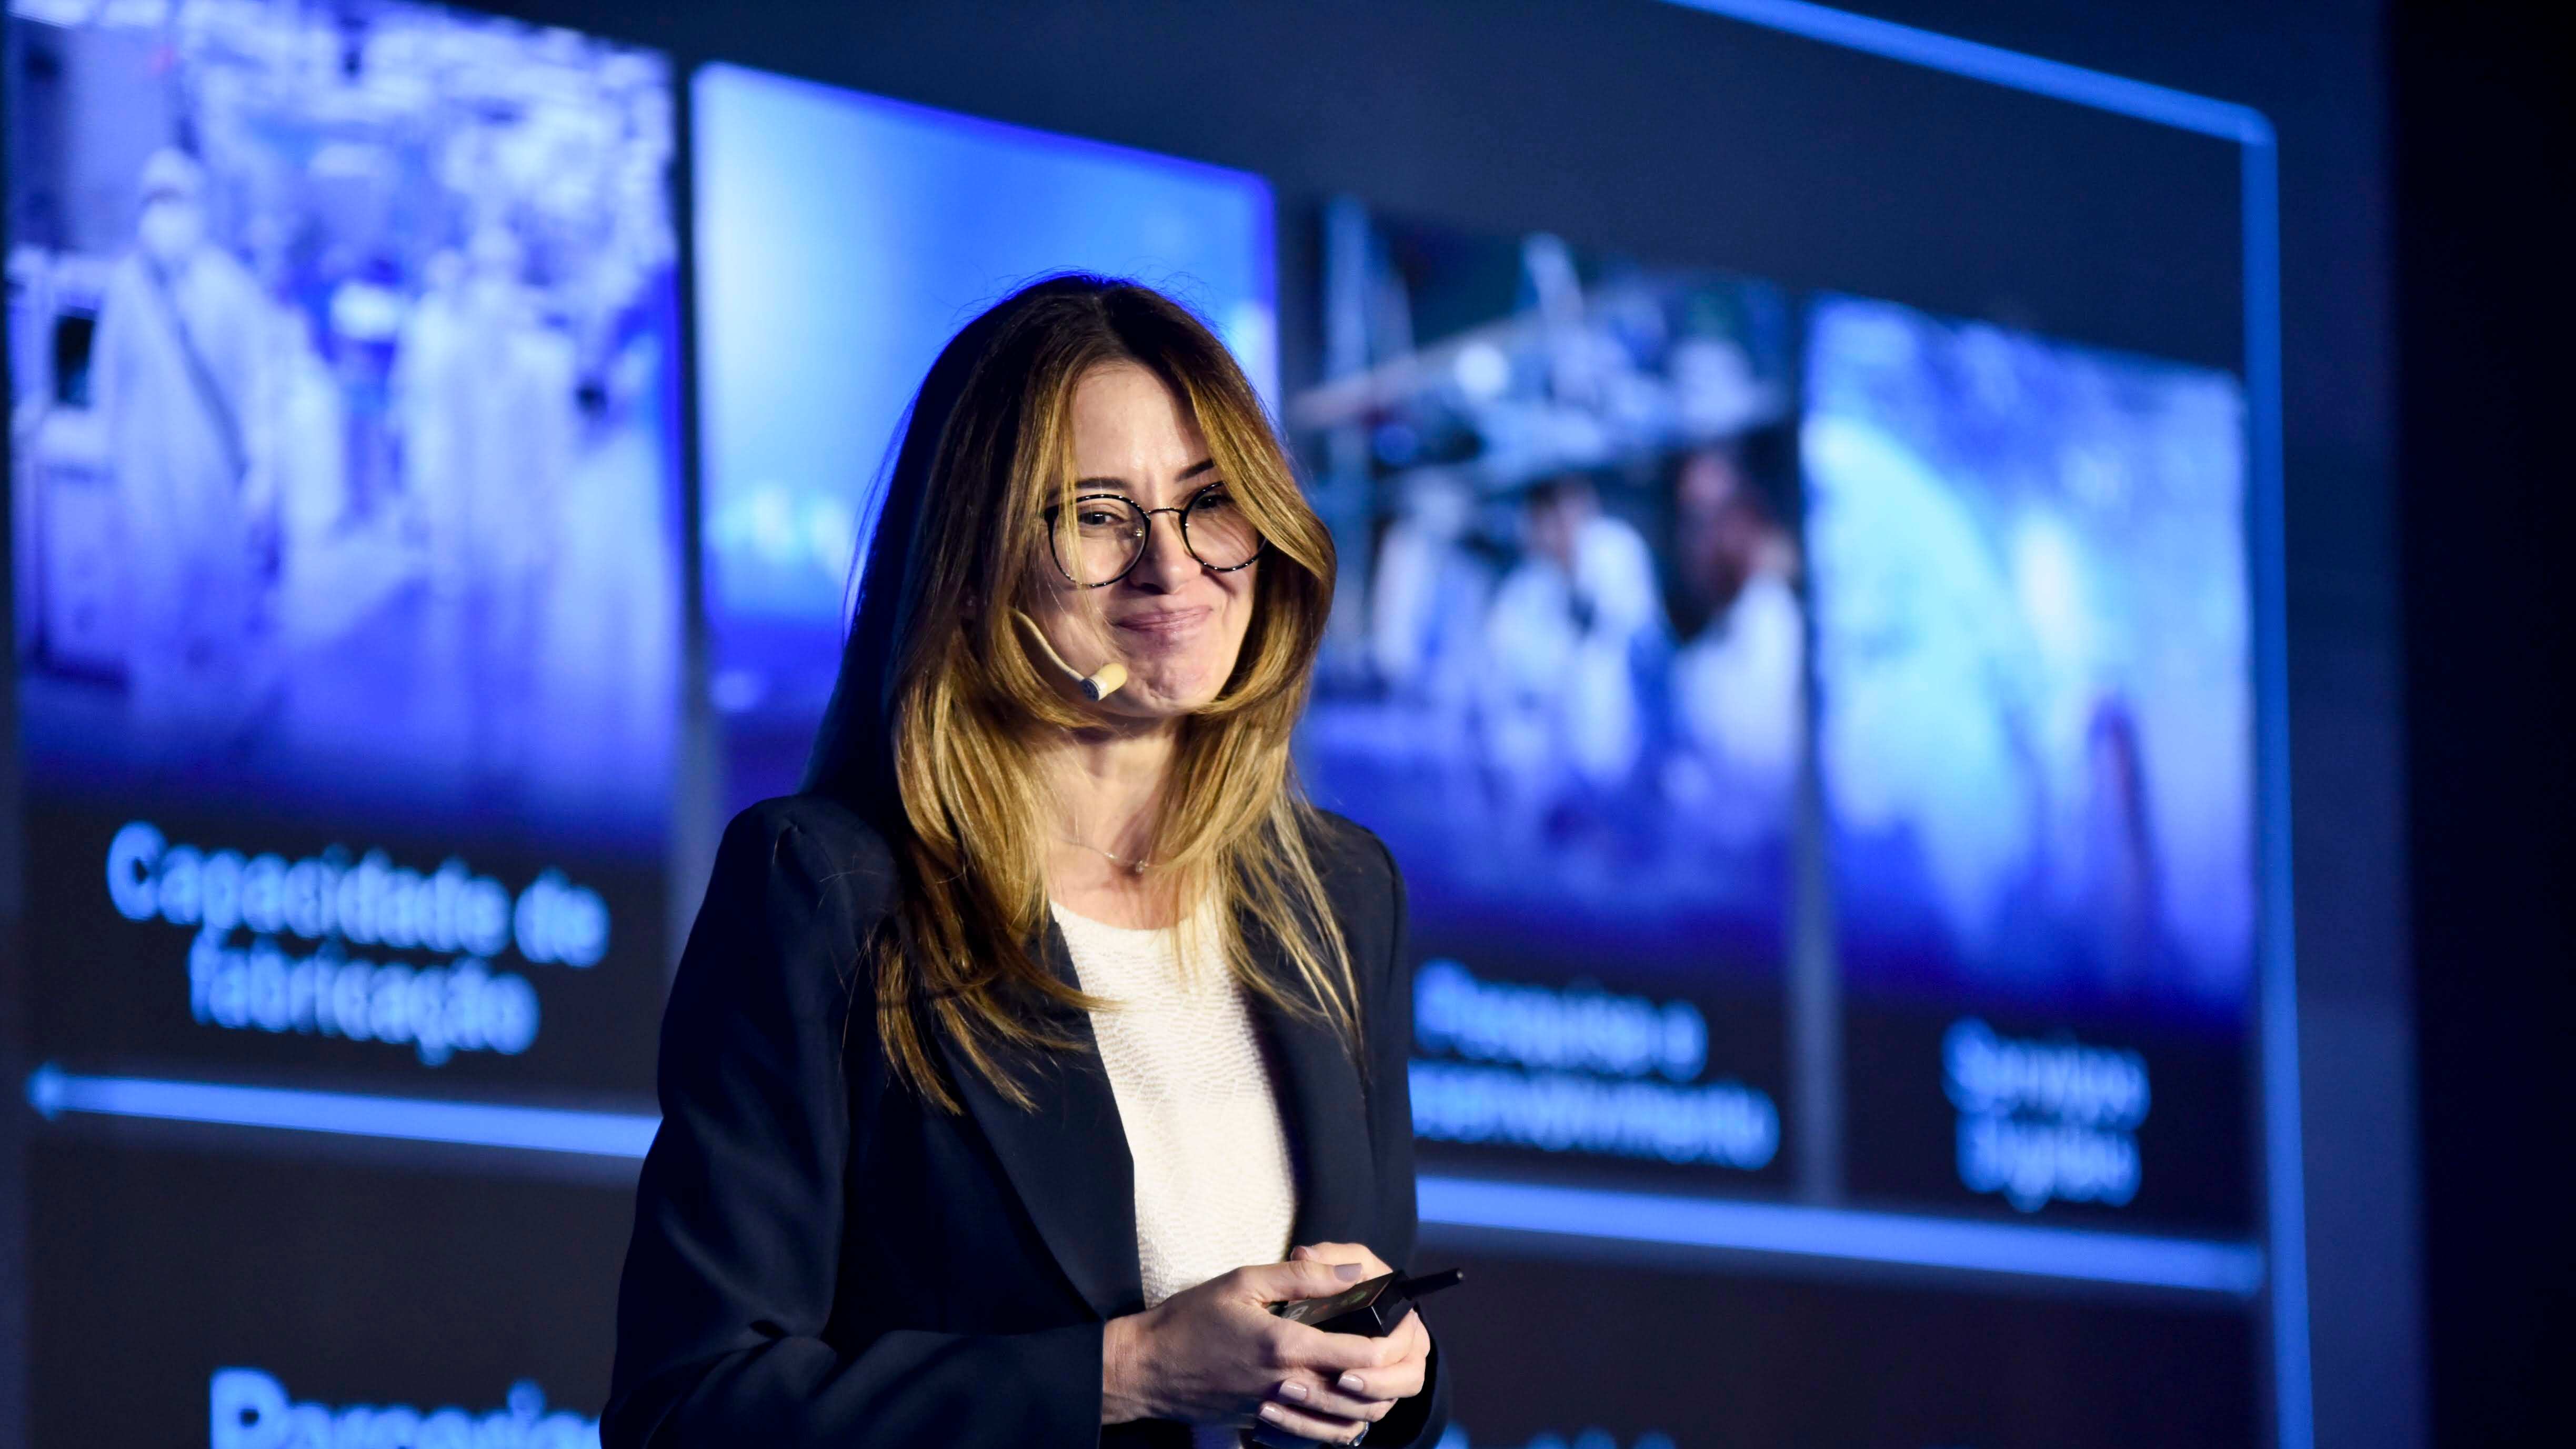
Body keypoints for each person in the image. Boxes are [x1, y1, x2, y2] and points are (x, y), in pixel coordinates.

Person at [606, 276, 1448, 1449]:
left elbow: (1366, 1351)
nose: (1171, 567)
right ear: (973, 561)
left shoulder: (1340, 893)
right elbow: (688, 1409)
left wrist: (1389, 1377)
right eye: (1099, 514)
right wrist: (1128, 1370)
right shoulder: (826, 890)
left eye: (1211, 503)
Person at [91, 147, 272, 760]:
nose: (165, 214)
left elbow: (259, 387)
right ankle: (156, 756)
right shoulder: (126, 286)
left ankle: (216, 770)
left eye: (177, 200)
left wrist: (262, 471)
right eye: (155, 201)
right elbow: (107, 388)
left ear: (200, 208)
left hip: (217, 492)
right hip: (148, 493)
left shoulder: (231, 289)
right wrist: (112, 474)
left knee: (221, 623)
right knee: (154, 622)